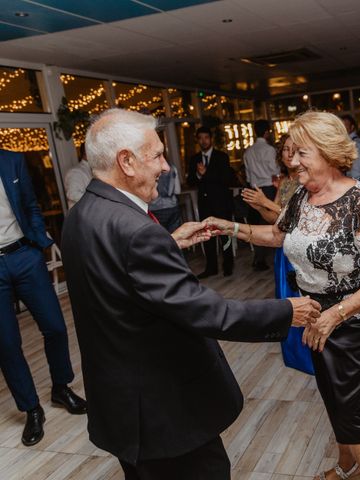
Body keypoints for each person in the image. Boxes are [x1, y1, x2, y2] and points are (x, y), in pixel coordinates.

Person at [61, 109, 321, 480]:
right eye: (157, 156)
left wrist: (167, 244)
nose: (165, 167)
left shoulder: (81, 215)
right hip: (164, 412)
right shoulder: (136, 231)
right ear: (126, 161)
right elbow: (208, 312)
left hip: (120, 405)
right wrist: (285, 312)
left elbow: (114, 281)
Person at [209, 111, 360, 480]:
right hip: (316, 313)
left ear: (328, 152)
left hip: (356, 317)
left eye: (301, 153)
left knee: (350, 402)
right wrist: (228, 227)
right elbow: (278, 236)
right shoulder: (302, 196)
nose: (291, 162)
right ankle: (347, 468)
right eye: (291, 153)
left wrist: (336, 315)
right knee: (331, 393)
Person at [0, 148, 86, 447]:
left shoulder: (12, 160)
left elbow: (30, 203)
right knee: (7, 344)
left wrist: (38, 242)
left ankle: (61, 388)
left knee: (55, 327)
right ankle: (31, 409)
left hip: (24, 255)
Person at [242, 134, 313, 375]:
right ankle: (295, 355)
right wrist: (260, 206)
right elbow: (276, 222)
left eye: (295, 149)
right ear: (280, 155)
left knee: (308, 303)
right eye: (285, 149)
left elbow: (300, 217)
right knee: (288, 303)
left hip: (302, 251)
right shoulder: (283, 182)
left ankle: (313, 356)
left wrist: (267, 202)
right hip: (283, 251)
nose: (289, 153)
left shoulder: (308, 180)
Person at [187, 126, 235, 277]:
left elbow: (226, 179)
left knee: (224, 235)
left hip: (221, 204)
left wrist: (206, 174)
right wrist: (199, 176)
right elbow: (190, 181)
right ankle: (211, 268)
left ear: (211, 139)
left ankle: (228, 266)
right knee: (207, 237)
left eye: (206, 138)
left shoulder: (222, 157)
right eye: (200, 138)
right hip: (205, 204)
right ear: (198, 140)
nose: (203, 141)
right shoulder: (194, 159)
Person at [243, 119, 280, 271]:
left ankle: (259, 258)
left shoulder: (248, 151)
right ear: (266, 132)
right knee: (270, 224)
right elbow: (275, 171)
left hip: (254, 189)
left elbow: (247, 175)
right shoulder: (269, 150)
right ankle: (262, 260)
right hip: (268, 189)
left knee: (257, 226)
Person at [149, 162, 182, 233]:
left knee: (162, 239)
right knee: (177, 236)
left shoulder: (148, 167)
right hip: (172, 206)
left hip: (156, 208)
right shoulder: (172, 167)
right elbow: (177, 191)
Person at [64, 143, 92, 209]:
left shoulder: (93, 170)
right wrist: (97, 200)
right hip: (81, 216)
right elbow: (72, 194)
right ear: (86, 154)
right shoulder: (76, 172)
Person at [341, 114, 360, 182]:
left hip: (356, 180)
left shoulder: (355, 143)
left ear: (352, 127)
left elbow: (357, 169)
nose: (343, 128)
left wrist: (353, 183)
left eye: (345, 125)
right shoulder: (348, 142)